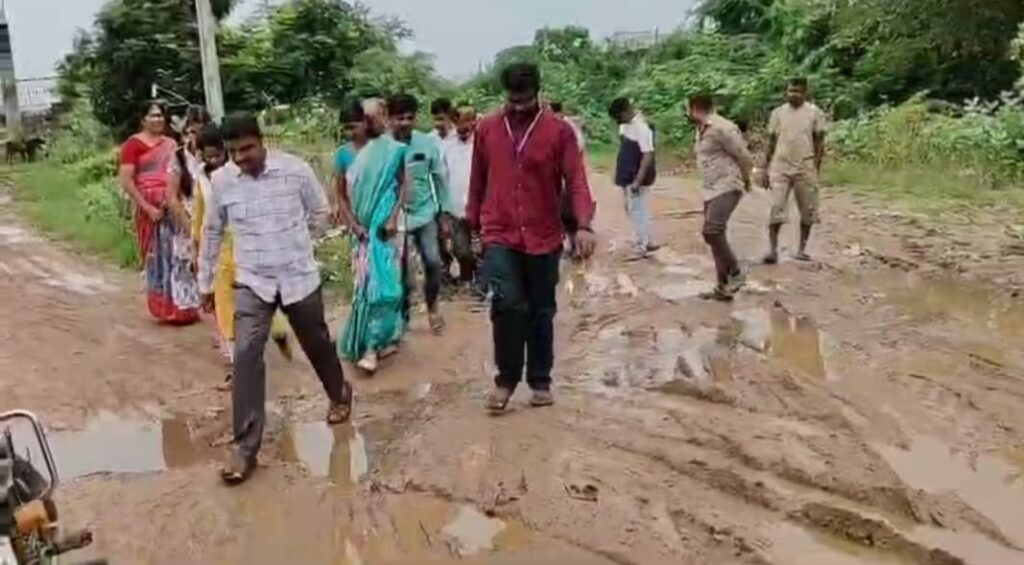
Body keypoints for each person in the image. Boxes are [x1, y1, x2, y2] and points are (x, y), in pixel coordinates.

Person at [199, 112, 352, 484]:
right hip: (252, 281)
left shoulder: (295, 170)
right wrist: (205, 281)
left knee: (315, 341)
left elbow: (319, 214)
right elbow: (213, 231)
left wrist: (299, 244)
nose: (241, 158)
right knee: (247, 353)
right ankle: (244, 448)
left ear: (261, 140)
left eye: (247, 149)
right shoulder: (221, 182)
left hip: (298, 276)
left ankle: (339, 392)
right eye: (233, 151)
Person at [468, 63, 596, 412]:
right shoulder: (488, 128)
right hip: (500, 232)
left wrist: (583, 224)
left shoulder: (559, 132)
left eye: (525, 100)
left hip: (544, 234)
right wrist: (471, 226)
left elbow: (577, 181)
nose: (518, 107)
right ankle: (505, 380)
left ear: (537, 93)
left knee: (541, 310)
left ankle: (540, 379)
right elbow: (478, 181)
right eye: (512, 100)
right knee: (507, 305)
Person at [192, 124, 293, 390]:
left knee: (260, 299)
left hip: (249, 249)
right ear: (201, 155)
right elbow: (201, 221)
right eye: (208, 156)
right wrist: (197, 251)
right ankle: (242, 366)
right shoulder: (202, 180)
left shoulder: (242, 176)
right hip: (222, 254)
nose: (214, 161)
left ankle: (275, 335)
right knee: (227, 309)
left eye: (218, 155)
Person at [335, 99, 410, 374]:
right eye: (348, 126)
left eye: (357, 124)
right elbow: (340, 195)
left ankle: (383, 339)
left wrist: (393, 217)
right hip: (362, 233)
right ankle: (369, 347)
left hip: (385, 230)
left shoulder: (392, 151)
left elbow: (404, 186)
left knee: (390, 288)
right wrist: (353, 224)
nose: (353, 131)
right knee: (366, 290)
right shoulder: (344, 155)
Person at [119, 100, 200, 325]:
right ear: (142, 119)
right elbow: (127, 181)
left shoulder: (171, 144)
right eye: (153, 116)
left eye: (160, 116)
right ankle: (165, 308)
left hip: (173, 204)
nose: (158, 120)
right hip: (151, 208)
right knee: (160, 257)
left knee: (180, 254)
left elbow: (181, 173)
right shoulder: (132, 145)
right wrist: (148, 208)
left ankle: (186, 305)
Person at [388, 94, 452, 335]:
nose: (405, 122)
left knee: (434, 262)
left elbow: (440, 179)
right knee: (403, 274)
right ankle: (402, 316)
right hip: (396, 218)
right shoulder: (383, 147)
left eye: (409, 117)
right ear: (389, 118)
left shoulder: (427, 144)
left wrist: (444, 214)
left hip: (425, 214)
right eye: (399, 118)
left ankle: (433, 306)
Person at [688, 94, 754, 302]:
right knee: (716, 236)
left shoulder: (722, 127)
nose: (686, 113)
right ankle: (722, 287)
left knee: (712, 231)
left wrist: (746, 180)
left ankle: (736, 272)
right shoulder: (701, 130)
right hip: (711, 188)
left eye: (687, 108)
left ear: (694, 108)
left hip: (728, 185)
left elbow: (743, 156)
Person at [763, 77, 827, 264]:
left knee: (807, 210)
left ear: (806, 93)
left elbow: (819, 142)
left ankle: (801, 249)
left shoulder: (815, 113)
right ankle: (772, 251)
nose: (793, 94)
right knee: (776, 208)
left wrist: (816, 167)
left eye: (797, 91)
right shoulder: (778, 113)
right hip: (780, 166)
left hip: (805, 166)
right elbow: (771, 142)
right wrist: (765, 167)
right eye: (790, 91)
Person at [608, 97, 659, 256]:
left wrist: (638, 180)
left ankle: (642, 245)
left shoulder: (641, 128)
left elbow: (648, 155)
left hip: (637, 175)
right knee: (634, 209)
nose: (619, 120)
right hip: (627, 174)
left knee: (637, 210)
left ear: (625, 112)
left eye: (619, 116)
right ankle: (647, 240)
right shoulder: (625, 126)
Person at [441, 105, 481, 294]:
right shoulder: (447, 147)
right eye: (458, 121)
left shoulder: (482, 144)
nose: (462, 126)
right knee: (460, 249)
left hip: (480, 206)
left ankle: (480, 283)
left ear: (474, 121)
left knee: (483, 247)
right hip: (455, 206)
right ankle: (467, 276)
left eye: (466, 120)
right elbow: (443, 176)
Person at [549, 101, 591, 256]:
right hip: (560, 178)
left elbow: (578, 148)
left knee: (570, 212)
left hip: (569, 175)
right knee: (563, 213)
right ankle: (572, 245)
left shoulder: (567, 128)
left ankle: (577, 247)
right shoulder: (556, 127)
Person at [331, 101, 371, 227]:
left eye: (354, 127)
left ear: (365, 122)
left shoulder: (381, 149)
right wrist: (352, 223)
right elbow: (340, 191)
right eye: (346, 128)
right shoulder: (342, 153)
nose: (350, 132)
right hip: (357, 216)